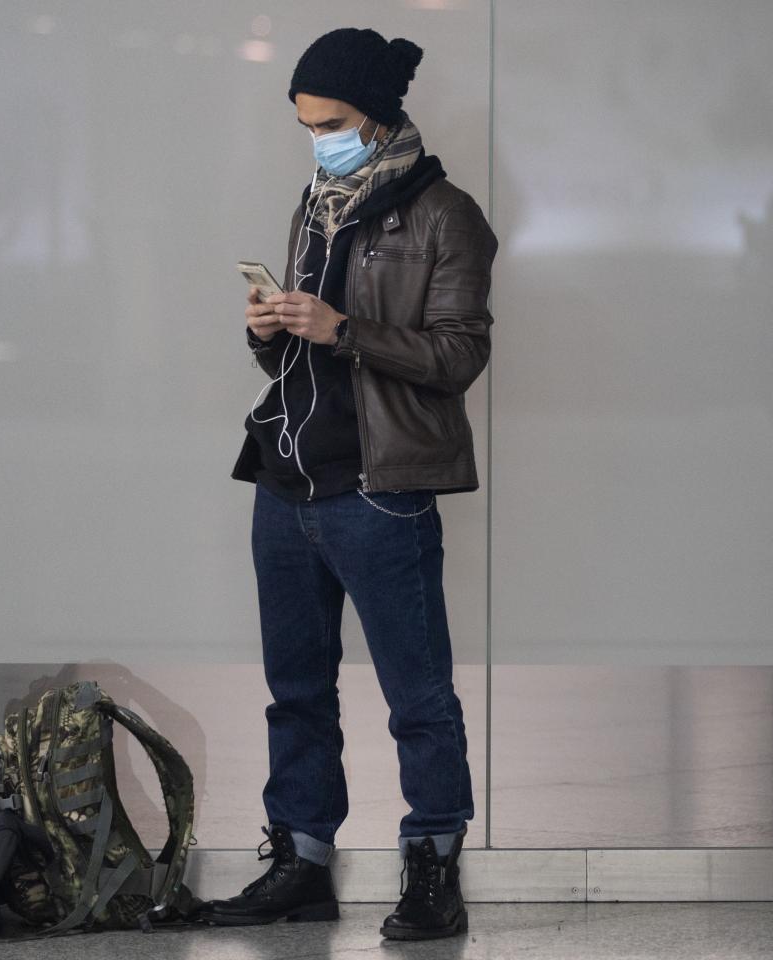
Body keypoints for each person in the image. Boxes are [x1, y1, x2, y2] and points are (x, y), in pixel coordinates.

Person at [198, 26, 496, 942]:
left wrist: (341, 329)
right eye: (305, 124)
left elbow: (459, 356)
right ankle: (301, 864)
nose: (316, 138)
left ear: (375, 117)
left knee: (419, 695)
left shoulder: (447, 215)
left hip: (377, 487)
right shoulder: (317, 204)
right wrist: (271, 328)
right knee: (295, 688)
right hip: (284, 482)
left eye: (329, 122)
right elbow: (299, 358)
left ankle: (434, 870)